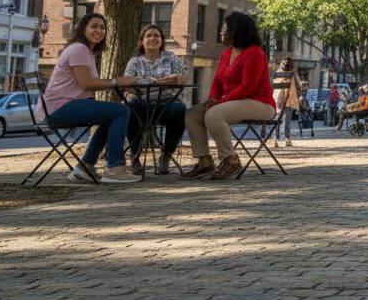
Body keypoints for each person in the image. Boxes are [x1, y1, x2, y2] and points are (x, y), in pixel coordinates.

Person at [41, 13, 138, 184]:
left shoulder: (85, 51)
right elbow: (87, 84)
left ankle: (85, 167)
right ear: (82, 28)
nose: (99, 30)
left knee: (112, 115)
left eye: (102, 27)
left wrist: (117, 82)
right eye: (94, 26)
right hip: (61, 108)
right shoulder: (79, 49)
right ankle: (115, 168)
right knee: (121, 110)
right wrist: (117, 81)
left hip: (63, 106)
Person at [180, 13, 276, 181]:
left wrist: (220, 102)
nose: (221, 31)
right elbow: (218, 81)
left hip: (260, 104)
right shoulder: (227, 53)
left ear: (235, 30)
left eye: (224, 27)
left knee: (213, 115)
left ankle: (230, 159)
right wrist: (212, 99)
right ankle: (204, 161)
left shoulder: (254, 53)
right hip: (236, 102)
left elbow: (247, 87)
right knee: (193, 114)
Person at [120, 24, 189, 175]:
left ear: (162, 40)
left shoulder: (170, 57)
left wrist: (176, 78)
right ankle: (135, 156)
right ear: (142, 41)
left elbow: (184, 78)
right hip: (141, 105)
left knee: (180, 110)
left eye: (156, 35)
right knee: (129, 108)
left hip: (166, 105)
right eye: (148, 36)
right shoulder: (135, 61)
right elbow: (127, 84)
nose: (153, 38)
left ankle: (166, 155)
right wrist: (129, 94)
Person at [273, 57, 301, 147]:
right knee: (287, 121)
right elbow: (298, 87)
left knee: (277, 120)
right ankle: (287, 139)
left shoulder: (277, 74)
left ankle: (275, 139)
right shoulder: (292, 75)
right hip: (289, 99)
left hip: (277, 99)